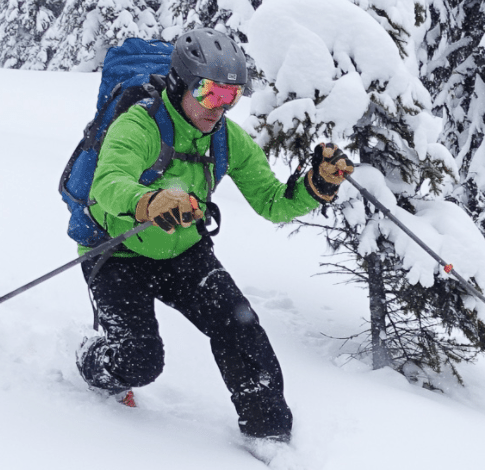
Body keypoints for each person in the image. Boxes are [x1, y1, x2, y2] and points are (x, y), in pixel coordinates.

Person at [77, 29, 353, 442]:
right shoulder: (140, 124)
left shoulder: (226, 138)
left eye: (231, 96)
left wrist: (316, 186)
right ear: (180, 83)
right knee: (140, 361)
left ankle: (269, 431)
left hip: (183, 252)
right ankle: (90, 359)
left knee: (240, 328)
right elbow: (108, 182)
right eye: (209, 93)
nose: (218, 108)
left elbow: (272, 201)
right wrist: (149, 201)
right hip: (116, 254)